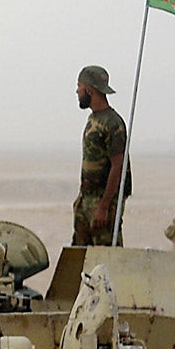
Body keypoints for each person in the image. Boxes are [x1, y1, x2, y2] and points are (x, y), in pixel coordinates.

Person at [73, 65, 128, 247]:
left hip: (102, 202)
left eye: (79, 86)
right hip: (86, 200)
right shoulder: (94, 119)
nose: (77, 91)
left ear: (90, 89)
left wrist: (104, 207)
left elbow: (118, 166)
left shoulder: (113, 123)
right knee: (79, 259)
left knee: (106, 259)